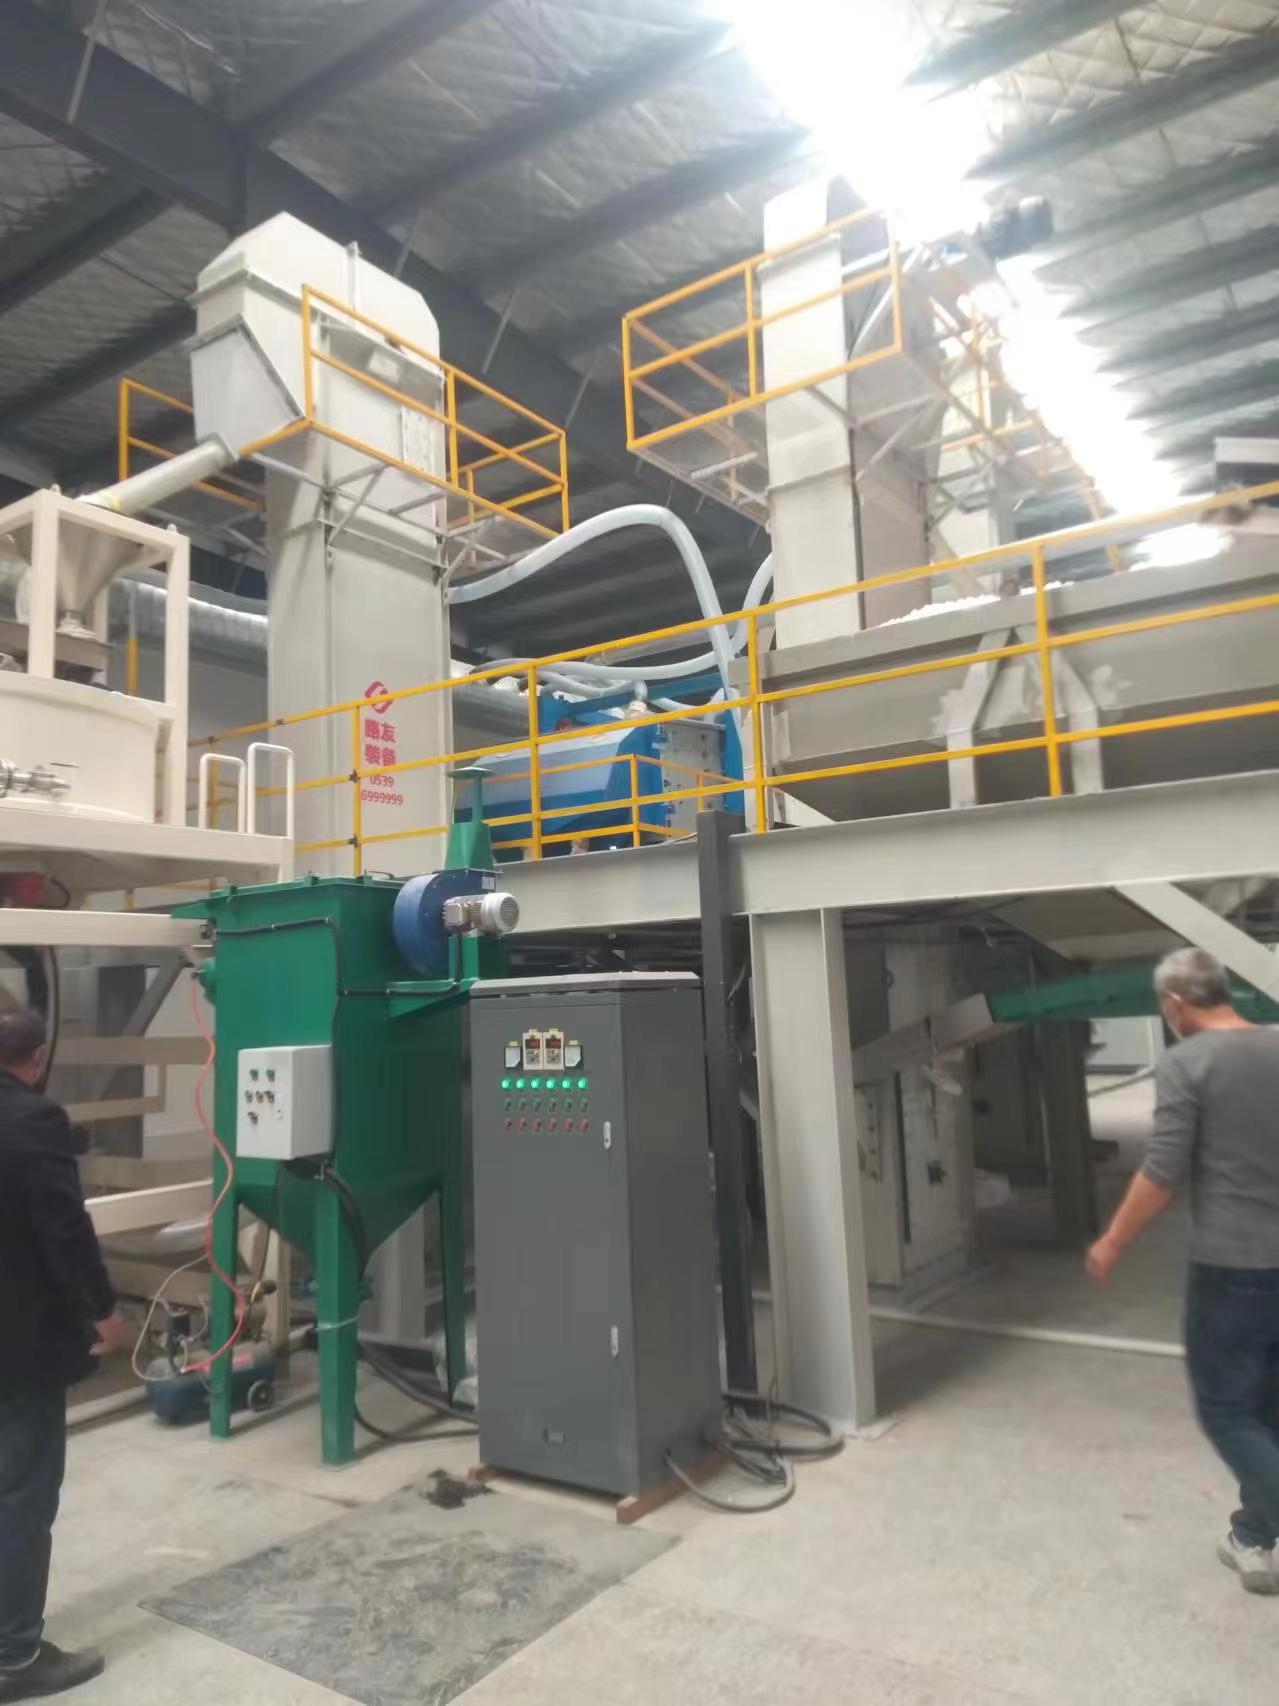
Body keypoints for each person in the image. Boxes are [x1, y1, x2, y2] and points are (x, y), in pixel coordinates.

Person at [1086, 947, 1279, 1596]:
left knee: (1227, 1411)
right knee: (1268, 1409)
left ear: (1173, 1004)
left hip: (1232, 1266)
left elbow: (1162, 1171)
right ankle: (1253, 1536)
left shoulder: (1186, 1062)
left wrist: (1112, 1240)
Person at [0, 1008, 129, 1697]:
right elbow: (65, 1230)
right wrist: (102, 1311)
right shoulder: (33, 1120)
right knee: (22, 1492)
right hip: (18, 1343)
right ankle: (15, 1656)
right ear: (38, 1056)